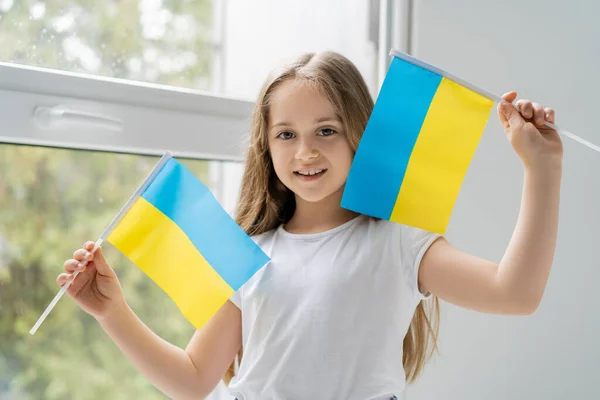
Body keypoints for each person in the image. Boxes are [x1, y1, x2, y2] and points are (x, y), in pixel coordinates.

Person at [57, 51, 562, 400]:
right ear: (266, 146)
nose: (306, 151)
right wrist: (112, 313)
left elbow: (515, 293)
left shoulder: (398, 243)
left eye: (326, 130)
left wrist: (542, 169)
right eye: (286, 134)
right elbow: (192, 380)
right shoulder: (248, 253)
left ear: (359, 134)